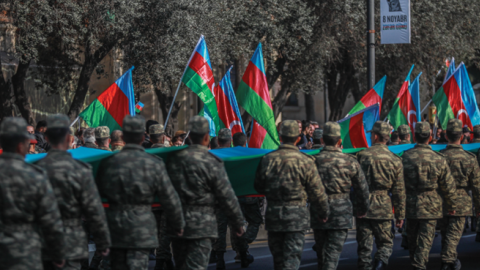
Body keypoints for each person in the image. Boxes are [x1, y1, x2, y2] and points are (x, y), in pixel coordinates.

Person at [96, 115, 185, 270]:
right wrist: (178, 224)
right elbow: (169, 197)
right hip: (142, 228)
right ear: (144, 137)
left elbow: (97, 197)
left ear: (123, 137)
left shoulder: (109, 162)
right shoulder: (154, 163)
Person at [167, 116, 245, 269]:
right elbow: (226, 195)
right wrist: (238, 223)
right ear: (206, 137)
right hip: (201, 226)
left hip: (178, 224)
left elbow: (165, 192)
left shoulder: (174, 160)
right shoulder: (212, 162)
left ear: (189, 136)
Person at [37, 114, 111, 270]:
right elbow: (93, 209)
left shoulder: (34, 169)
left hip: (42, 240)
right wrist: (102, 241)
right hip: (71, 241)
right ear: (69, 139)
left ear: (47, 138)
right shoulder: (80, 170)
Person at [254, 120, 329, 270]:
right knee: (291, 262)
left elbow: (258, 186)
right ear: (298, 138)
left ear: (280, 137)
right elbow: (317, 191)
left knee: (279, 262)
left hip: (274, 216)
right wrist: (323, 212)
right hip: (296, 218)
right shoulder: (306, 161)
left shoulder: (268, 159)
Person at [0, 117, 66, 269]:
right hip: (27, 251)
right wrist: (58, 252)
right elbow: (50, 219)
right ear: (22, 144)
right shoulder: (36, 175)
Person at [312, 122, 370, 270]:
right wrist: (363, 208)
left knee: (321, 252)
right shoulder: (350, 161)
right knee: (332, 253)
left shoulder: (313, 161)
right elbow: (362, 189)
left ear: (322, 140)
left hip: (318, 210)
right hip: (341, 211)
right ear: (339, 141)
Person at [402, 122, 457, 270]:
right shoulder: (438, 159)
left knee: (413, 239)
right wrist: (451, 205)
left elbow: (399, 184)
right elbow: (448, 185)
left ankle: (417, 264)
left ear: (414, 136)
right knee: (425, 239)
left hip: (411, 203)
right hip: (431, 205)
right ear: (430, 137)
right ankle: (419, 265)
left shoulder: (406, 157)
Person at [356, 121, 405, 270]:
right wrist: (400, 215)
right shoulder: (395, 159)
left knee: (364, 245)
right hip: (383, 205)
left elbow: (355, 183)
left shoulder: (361, 156)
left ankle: (365, 266)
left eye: (371, 134)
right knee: (385, 242)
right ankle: (380, 262)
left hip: (363, 205)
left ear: (376, 136)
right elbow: (399, 190)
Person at [438, 119, 480, 270]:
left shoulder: (439, 157)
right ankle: (447, 261)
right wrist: (478, 208)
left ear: (447, 135)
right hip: (461, 202)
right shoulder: (470, 158)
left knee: (447, 236)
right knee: (453, 236)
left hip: (442, 201)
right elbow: (476, 186)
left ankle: (450, 261)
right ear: (461, 136)